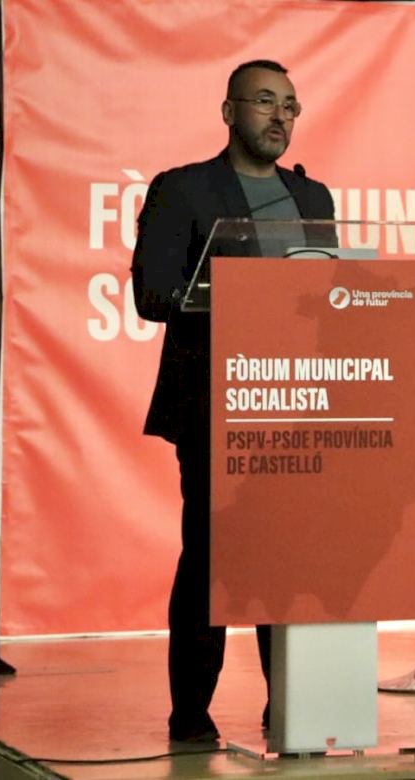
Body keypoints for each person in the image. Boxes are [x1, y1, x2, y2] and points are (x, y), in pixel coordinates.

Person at [131, 59, 335, 743]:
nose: (280, 117)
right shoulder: (183, 189)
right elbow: (153, 294)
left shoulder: (314, 198)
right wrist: (244, 297)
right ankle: (190, 712)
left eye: (290, 105)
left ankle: (292, 705)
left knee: (291, 559)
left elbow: (328, 296)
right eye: (264, 101)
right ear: (229, 112)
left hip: (296, 404)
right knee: (212, 557)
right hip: (214, 403)